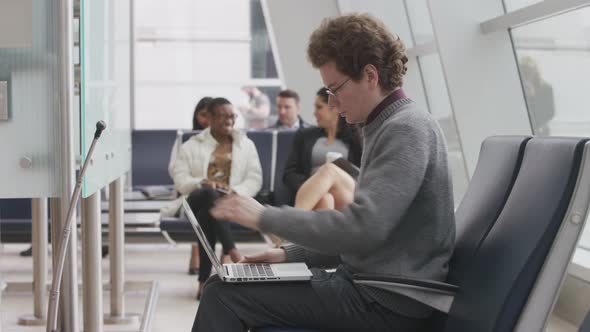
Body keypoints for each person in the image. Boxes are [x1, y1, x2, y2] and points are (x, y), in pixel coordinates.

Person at [192, 14, 456, 331]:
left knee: (222, 295)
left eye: (335, 89)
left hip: (384, 301)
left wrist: (265, 217)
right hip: (370, 286)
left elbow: (361, 228)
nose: (332, 102)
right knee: (225, 288)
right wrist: (289, 255)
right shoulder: (386, 124)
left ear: (370, 76)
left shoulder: (405, 129)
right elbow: (369, 236)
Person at [171, 97, 262, 299]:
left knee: (207, 215)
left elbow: (254, 178)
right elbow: (180, 178)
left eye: (232, 116)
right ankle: (232, 250)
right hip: (194, 198)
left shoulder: (245, 145)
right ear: (210, 118)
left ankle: (204, 280)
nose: (229, 120)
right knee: (209, 194)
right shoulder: (192, 145)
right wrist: (202, 182)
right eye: (223, 116)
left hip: (230, 201)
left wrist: (235, 192)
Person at [283, 87, 362, 210]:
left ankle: (291, 222)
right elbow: (289, 174)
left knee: (329, 171)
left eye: (319, 107)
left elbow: (361, 175)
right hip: (311, 194)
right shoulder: (304, 136)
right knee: (325, 199)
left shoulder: (357, 139)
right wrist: (315, 186)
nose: (314, 113)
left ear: (335, 107)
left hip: (343, 193)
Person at [164, 97, 213, 276]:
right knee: (203, 205)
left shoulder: (224, 139)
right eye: (202, 115)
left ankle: (214, 259)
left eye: (211, 116)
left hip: (215, 192)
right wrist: (197, 180)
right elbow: (174, 169)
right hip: (191, 190)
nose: (206, 121)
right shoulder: (185, 139)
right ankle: (208, 255)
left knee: (211, 205)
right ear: (196, 116)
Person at [519, 56, 555, 136]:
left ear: (535, 71)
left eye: (530, 70)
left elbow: (550, 112)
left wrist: (533, 97)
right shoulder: (518, 88)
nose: (528, 74)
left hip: (541, 131)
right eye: (524, 70)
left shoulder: (546, 88)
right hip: (522, 130)